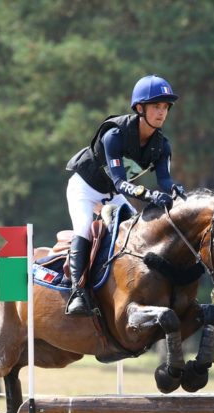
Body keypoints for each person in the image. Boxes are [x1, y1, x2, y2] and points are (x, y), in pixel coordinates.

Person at [63, 74, 186, 316]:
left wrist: (175, 190)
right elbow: (120, 182)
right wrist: (150, 196)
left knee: (137, 233)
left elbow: (164, 180)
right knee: (84, 227)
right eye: (156, 106)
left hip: (111, 194)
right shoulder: (115, 135)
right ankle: (78, 293)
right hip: (84, 188)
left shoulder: (162, 145)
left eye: (165, 107)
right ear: (140, 108)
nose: (162, 113)